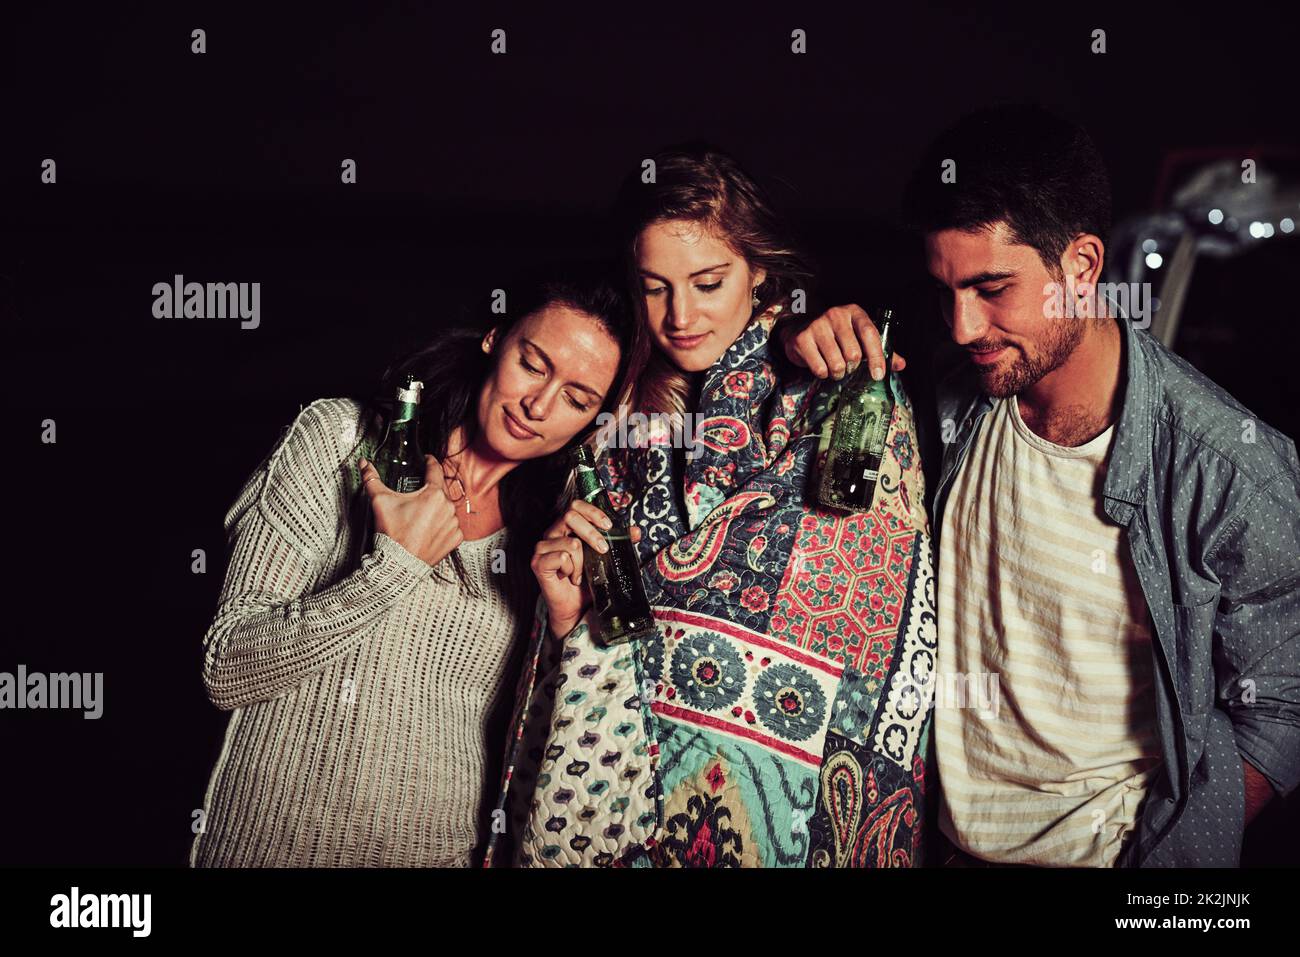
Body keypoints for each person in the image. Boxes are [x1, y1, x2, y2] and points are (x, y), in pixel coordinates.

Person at [784, 105, 1300, 867]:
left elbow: (1284, 702)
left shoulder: (1223, 466)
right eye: (946, 289)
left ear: (1083, 266)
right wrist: (799, 343)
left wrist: (1173, 851)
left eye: (993, 287)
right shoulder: (949, 399)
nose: (963, 325)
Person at [488, 146, 931, 868]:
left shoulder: (835, 392)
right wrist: (568, 616)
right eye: (655, 287)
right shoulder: (614, 428)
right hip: (621, 793)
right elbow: (598, 630)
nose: (681, 315)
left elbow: (875, 630)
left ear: (759, 270)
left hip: (784, 806)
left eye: (708, 281)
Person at [190, 268, 637, 867]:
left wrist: (566, 629)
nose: (540, 405)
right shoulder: (340, 441)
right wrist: (392, 569)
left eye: (577, 399)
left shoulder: (549, 543)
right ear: (495, 339)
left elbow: (544, 763)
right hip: (267, 849)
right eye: (533, 364)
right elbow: (227, 670)